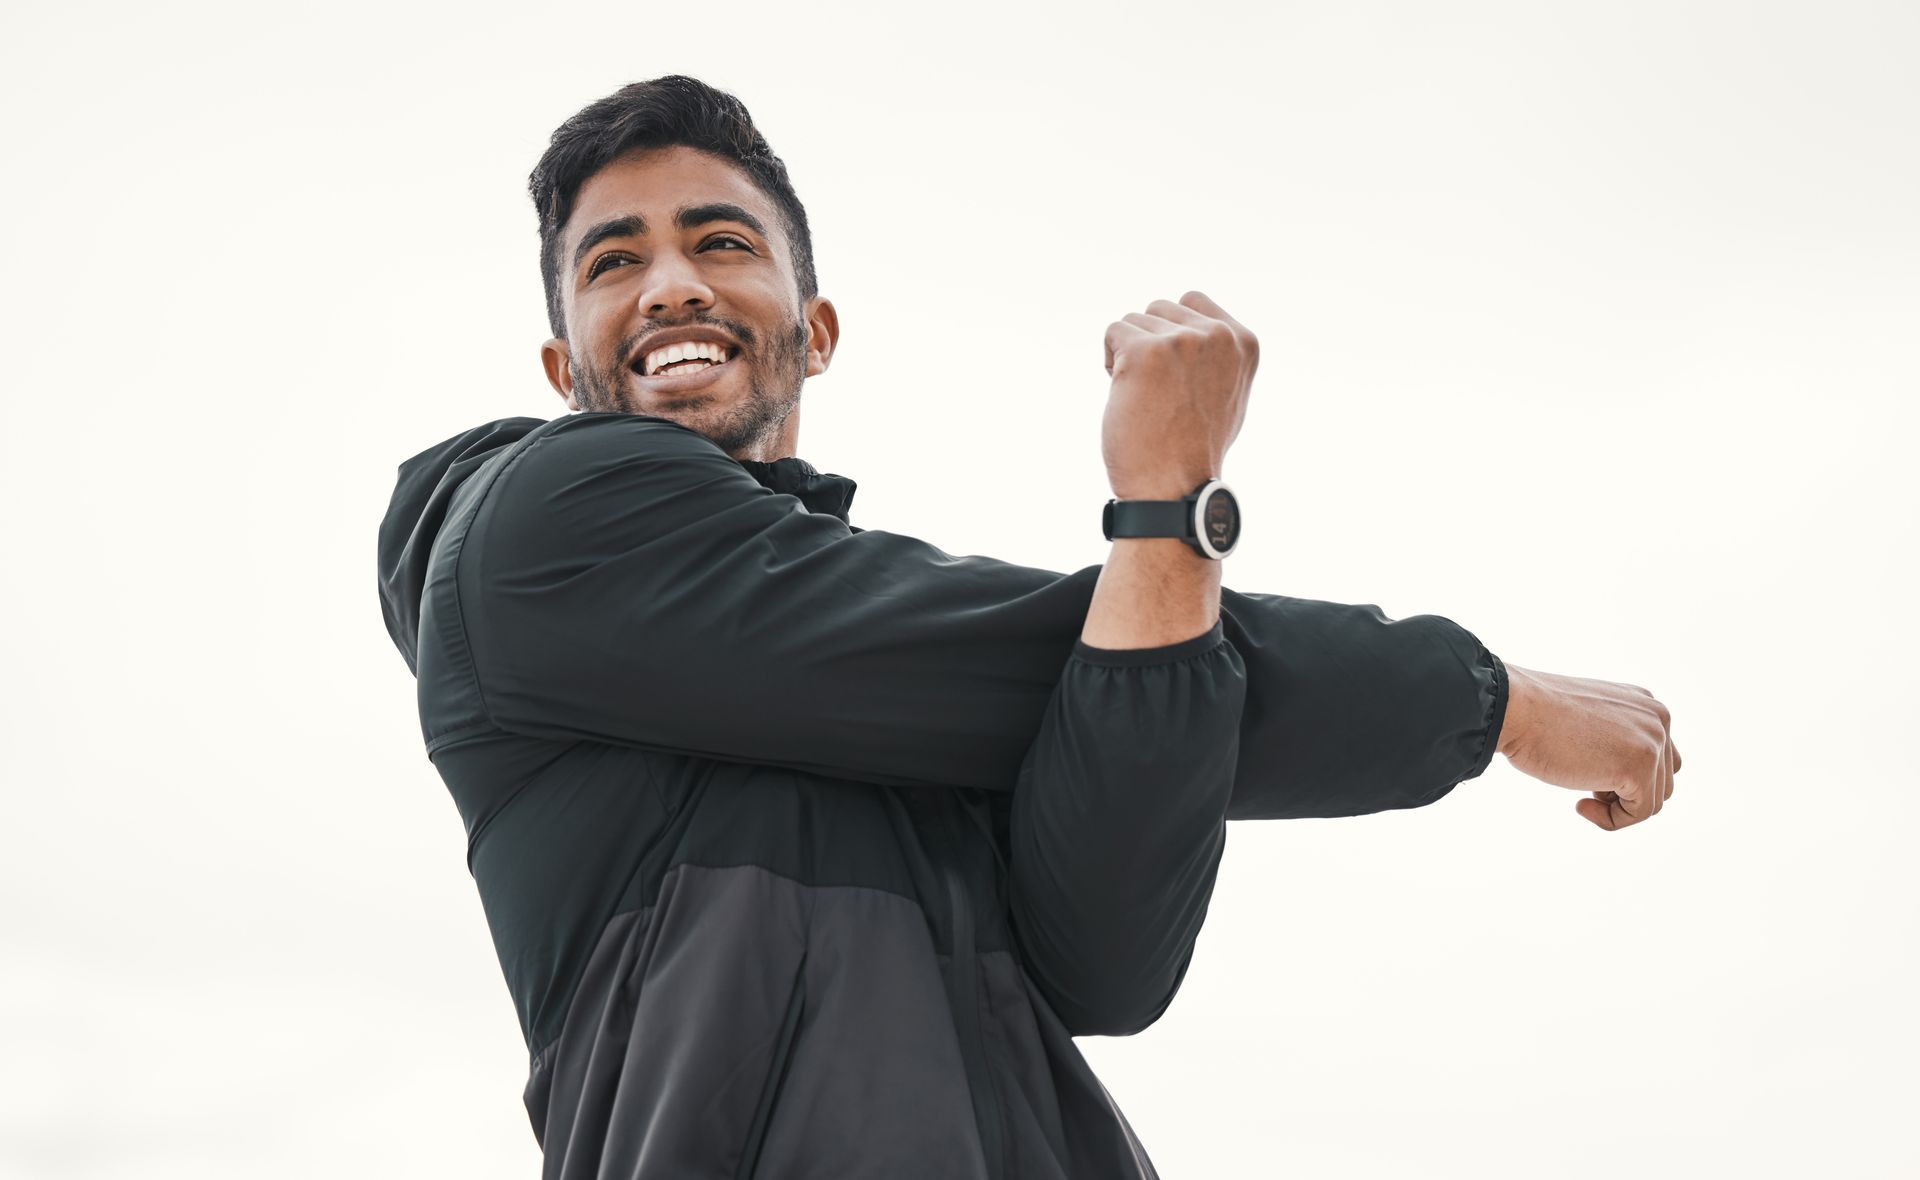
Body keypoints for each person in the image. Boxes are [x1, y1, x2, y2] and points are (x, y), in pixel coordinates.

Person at [376, 74, 1680, 1180]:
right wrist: (1491, 698)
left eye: (721, 242)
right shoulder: (543, 522)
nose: (668, 285)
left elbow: (1105, 962)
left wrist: (1165, 520)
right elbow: (1045, 654)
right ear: (563, 370)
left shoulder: (880, 687)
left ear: (815, 330)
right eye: (615, 260)